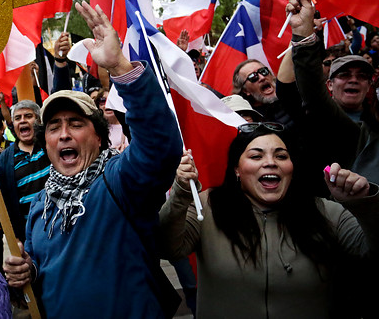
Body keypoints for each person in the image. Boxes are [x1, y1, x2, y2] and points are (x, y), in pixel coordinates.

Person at [3, 1, 182, 318]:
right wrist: (26, 273)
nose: (63, 135)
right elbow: (44, 270)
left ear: (99, 137)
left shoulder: (120, 181)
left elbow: (159, 146)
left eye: (75, 124)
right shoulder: (41, 205)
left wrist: (120, 68)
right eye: (54, 127)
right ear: (46, 143)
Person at [159, 123, 379, 318]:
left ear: (292, 168)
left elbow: (371, 253)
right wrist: (180, 194)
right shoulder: (206, 207)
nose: (270, 163)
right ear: (237, 169)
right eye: (256, 156)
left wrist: (363, 204)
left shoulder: (327, 213)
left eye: (281, 156)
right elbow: (168, 247)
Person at [289, 0, 379, 183]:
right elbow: (313, 93)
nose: (353, 80)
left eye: (362, 76)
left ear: (369, 85)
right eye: (344, 75)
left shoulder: (375, 124)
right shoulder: (319, 117)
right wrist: (303, 35)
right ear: (329, 85)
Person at [0, 100, 51, 242]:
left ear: (38, 121)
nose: (22, 121)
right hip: (30, 233)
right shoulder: (5, 159)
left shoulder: (50, 144)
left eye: (28, 116)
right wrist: (15, 238)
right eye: (17, 118)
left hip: (59, 223)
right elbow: (4, 201)